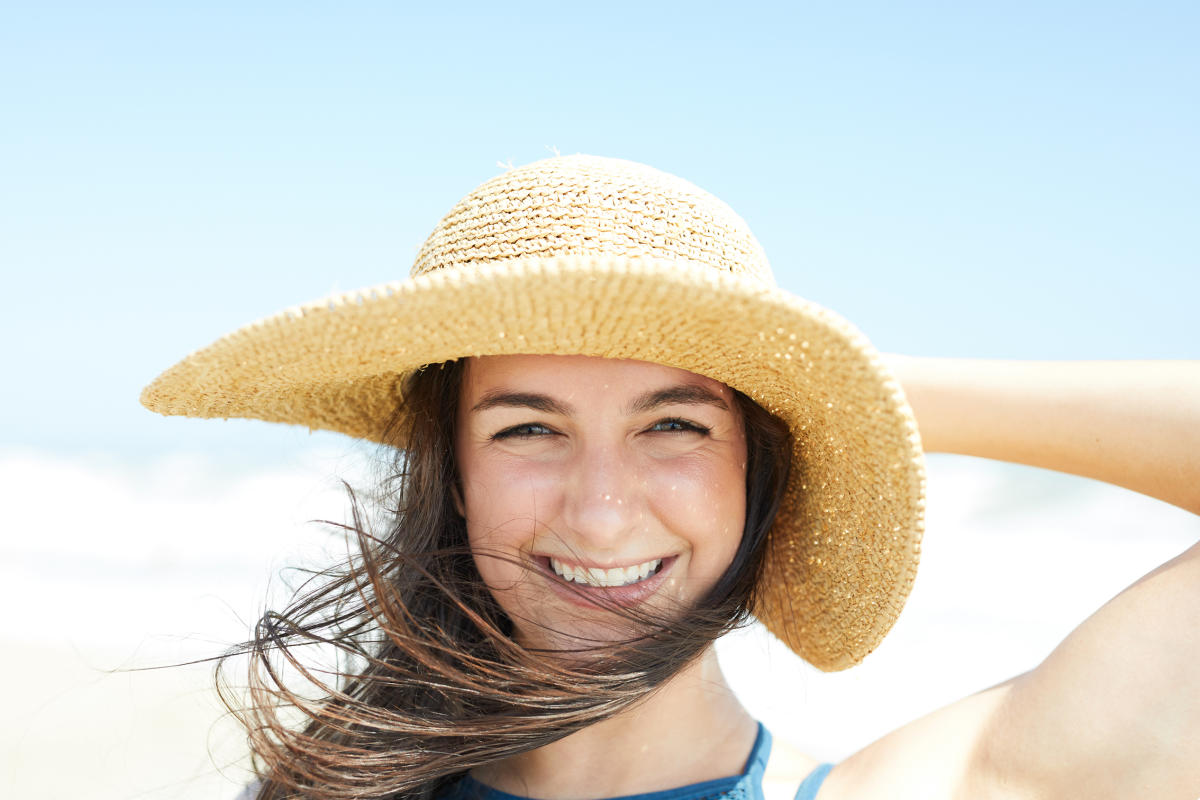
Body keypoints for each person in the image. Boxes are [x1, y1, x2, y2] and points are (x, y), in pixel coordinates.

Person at [141, 155, 1200, 800]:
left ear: (758, 463)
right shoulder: (324, 787)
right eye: (528, 429)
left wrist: (843, 391)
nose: (602, 513)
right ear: (451, 474)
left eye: (675, 425)